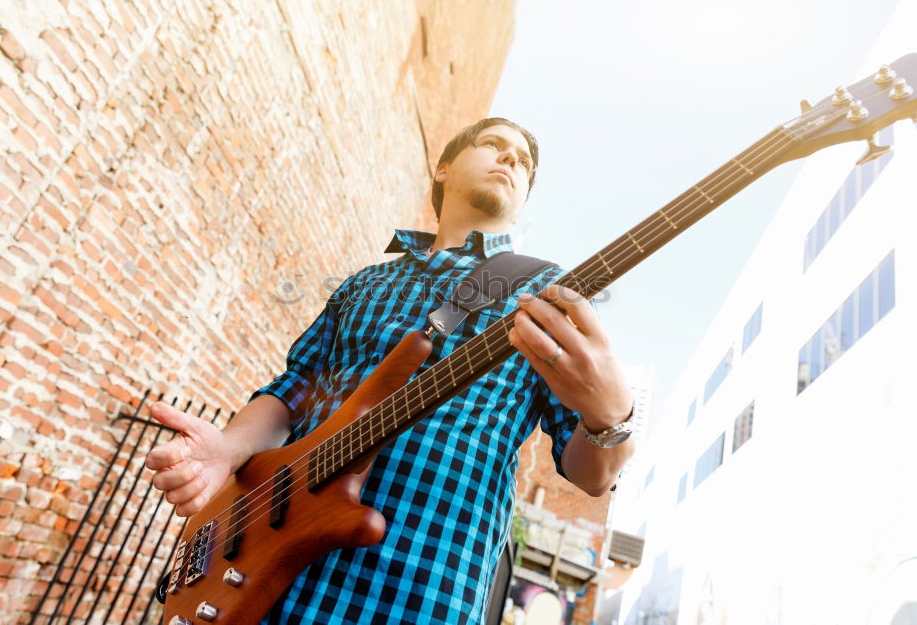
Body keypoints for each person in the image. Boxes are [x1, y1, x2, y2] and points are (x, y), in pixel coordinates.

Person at [146, 117, 636, 623]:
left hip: (414, 586)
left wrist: (610, 419)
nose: (513, 160)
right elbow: (294, 389)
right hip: (263, 565)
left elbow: (591, 476)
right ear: (443, 168)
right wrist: (228, 447)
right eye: (495, 145)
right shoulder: (366, 283)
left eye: (525, 163)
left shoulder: (545, 294)